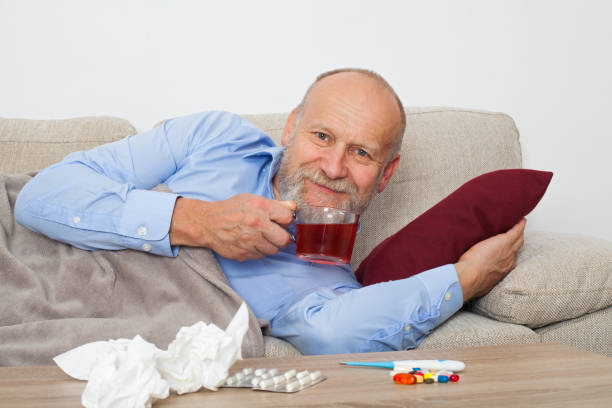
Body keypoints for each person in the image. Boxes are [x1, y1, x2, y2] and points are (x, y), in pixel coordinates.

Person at [15, 68, 525, 355]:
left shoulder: (325, 285)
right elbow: (46, 195)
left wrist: (465, 279)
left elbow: (335, 336)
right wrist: (194, 221)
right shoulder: (214, 136)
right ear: (289, 129)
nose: (333, 166)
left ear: (385, 176)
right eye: (322, 136)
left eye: (361, 153)